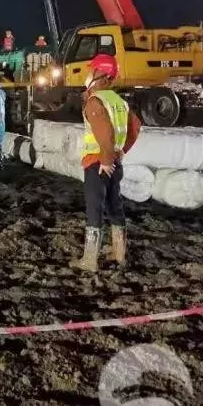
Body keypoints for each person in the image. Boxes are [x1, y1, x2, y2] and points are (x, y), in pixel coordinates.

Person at [74, 53, 141, 272]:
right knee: (115, 206)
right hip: (113, 162)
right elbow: (135, 127)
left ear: (99, 73)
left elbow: (105, 132)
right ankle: (119, 255)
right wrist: (120, 151)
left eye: (91, 69)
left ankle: (90, 260)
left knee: (94, 207)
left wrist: (105, 160)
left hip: (98, 163)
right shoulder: (119, 101)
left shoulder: (95, 101)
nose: (87, 73)